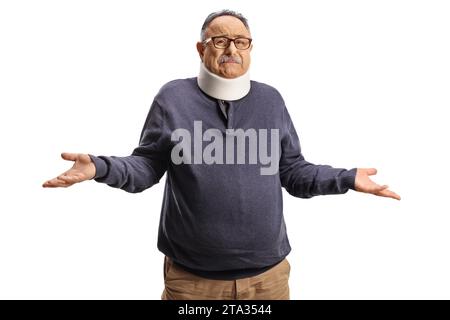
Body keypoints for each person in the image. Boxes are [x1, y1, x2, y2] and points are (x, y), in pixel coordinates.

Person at [42, 9, 400, 300]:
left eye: (241, 41)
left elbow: (293, 171)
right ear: (201, 49)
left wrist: (347, 178)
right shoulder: (173, 98)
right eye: (220, 40)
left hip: (268, 279)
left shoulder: (270, 100)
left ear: (250, 48)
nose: (232, 49)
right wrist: (100, 167)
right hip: (192, 281)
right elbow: (147, 166)